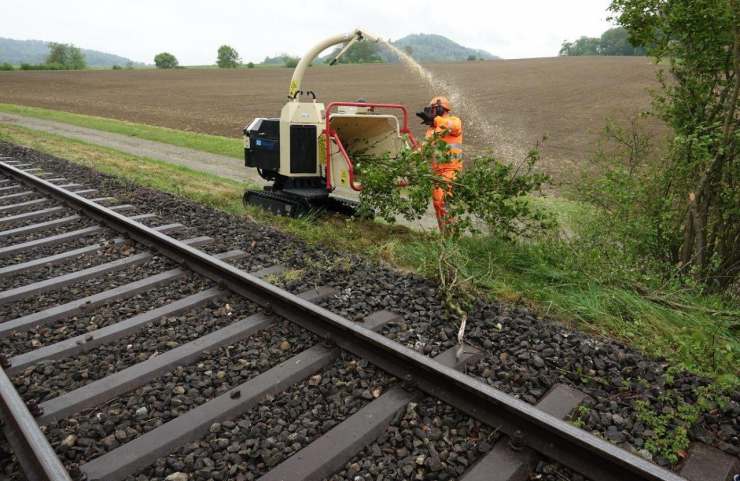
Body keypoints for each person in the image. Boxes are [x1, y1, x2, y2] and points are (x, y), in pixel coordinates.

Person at [416, 96, 463, 230]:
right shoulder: (431, 131)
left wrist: (436, 120)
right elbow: (423, 151)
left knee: (442, 200)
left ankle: (452, 234)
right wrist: (406, 159)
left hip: (451, 170)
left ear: (441, 108)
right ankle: (444, 233)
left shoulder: (453, 121)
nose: (430, 113)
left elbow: (454, 127)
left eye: (433, 110)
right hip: (438, 173)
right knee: (437, 203)